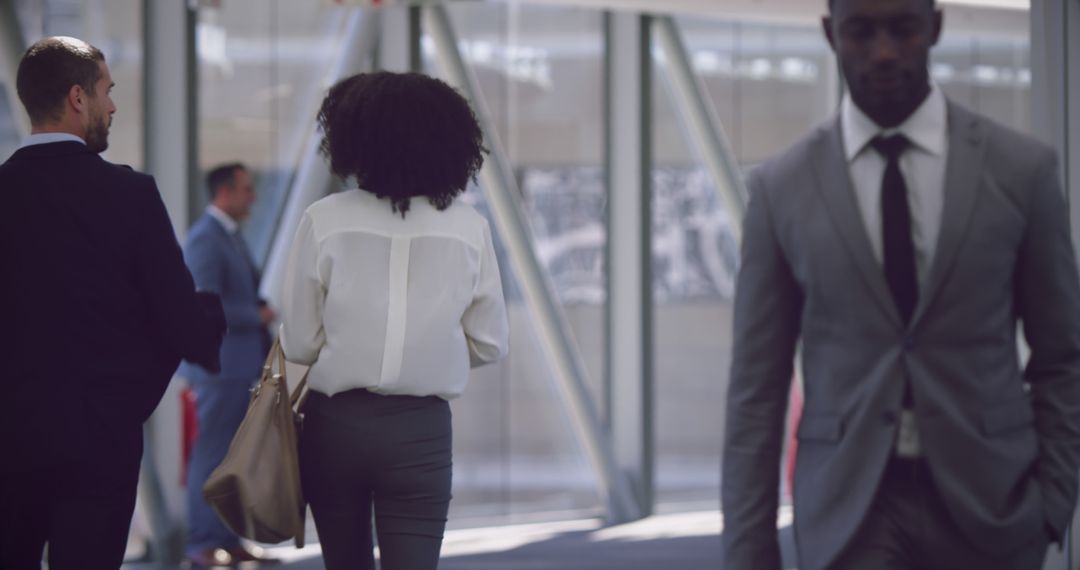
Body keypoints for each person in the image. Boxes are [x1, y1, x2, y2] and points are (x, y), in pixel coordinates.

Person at [721, 0, 1080, 569]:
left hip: (992, 506)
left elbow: (1064, 356)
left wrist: (1053, 504)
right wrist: (748, 551)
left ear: (935, 26)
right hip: (848, 513)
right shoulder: (780, 189)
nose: (883, 51)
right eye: (861, 31)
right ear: (829, 34)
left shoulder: (1021, 171)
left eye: (903, 28)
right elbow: (756, 388)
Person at [0, 36, 226, 569]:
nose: (113, 105)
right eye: (108, 90)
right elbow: (179, 321)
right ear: (78, 98)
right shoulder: (131, 196)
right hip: (98, 441)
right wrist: (210, 317)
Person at [279, 71, 509, 570]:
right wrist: (431, 347)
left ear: (352, 139)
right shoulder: (469, 229)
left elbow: (298, 343)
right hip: (421, 430)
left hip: (335, 426)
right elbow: (490, 344)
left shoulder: (325, 219)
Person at [180, 163, 279, 567]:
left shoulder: (228, 237)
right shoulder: (206, 238)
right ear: (224, 192)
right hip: (219, 369)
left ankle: (225, 538)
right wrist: (254, 316)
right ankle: (203, 542)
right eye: (246, 188)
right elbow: (203, 301)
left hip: (237, 367)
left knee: (231, 455)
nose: (253, 197)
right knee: (212, 453)